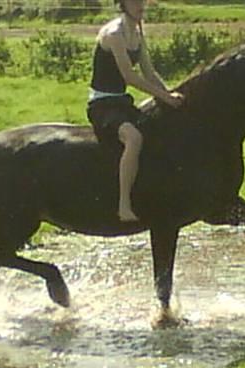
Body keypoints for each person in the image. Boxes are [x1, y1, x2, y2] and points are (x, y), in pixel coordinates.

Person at [87, 0, 184, 222]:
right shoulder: (114, 34)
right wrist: (164, 97)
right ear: (123, 4)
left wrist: (171, 94)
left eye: (142, 1)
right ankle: (124, 204)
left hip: (123, 102)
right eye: (134, 1)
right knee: (133, 138)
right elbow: (129, 77)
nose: (140, 5)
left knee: (160, 126)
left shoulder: (138, 33)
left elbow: (149, 73)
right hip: (102, 105)